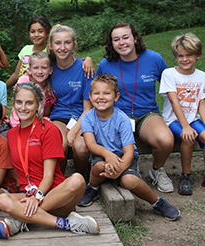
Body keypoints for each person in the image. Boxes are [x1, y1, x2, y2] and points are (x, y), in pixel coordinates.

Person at [0, 83, 100, 236]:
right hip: (27, 195)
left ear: (38, 105)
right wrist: (29, 197)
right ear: (13, 104)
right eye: (19, 102)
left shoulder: (49, 130)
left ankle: (22, 220)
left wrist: (37, 197)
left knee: (77, 180)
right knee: (2, 200)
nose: (23, 107)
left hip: (54, 194)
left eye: (29, 103)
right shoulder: (11, 134)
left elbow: (49, 176)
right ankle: (66, 223)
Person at [77, 73, 180, 221]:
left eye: (106, 93)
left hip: (124, 157)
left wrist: (118, 168)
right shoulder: (87, 118)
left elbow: (129, 151)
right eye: (96, 93)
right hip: (102, 155)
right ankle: (92, 188)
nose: (101, 97)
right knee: (99, 166)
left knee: (129, 181)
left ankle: (157, 202)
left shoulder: (122, 119)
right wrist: (108, 155)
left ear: (116, 96)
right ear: (90, 95)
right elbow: (91, 144)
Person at [96, 22, 175, 193]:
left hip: (146, 114)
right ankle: (106, 177)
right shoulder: (106, 64)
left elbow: (171, 88)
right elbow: (95, 91)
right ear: (112, 43)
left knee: (166, 140)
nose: (122, 43)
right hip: (116, 115)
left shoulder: (154, 59)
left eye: (126, 37)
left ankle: (157, 170)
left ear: (135, 38)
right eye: (116, 39)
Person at [159, 33, 205, 195]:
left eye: (189, 55)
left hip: (193, 119)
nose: (184, 59)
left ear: (198, 55)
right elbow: (174, 102)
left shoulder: (202, 76)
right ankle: (186, 176)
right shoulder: (169, 74)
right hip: (173, 121)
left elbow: (202, 104)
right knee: (189, 137)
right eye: (180, 56)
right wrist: (185, 126)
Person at [48, 24, 93, 175]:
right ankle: (59, 180)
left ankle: (81, 176)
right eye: (57, 43)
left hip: (82, 115)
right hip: (59, 115)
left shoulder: (85, 68)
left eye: (67, 42)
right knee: (59, 144)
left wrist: (73, 131)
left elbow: (88, 108)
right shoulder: (49, 68)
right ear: (51, 45)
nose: (62, 47)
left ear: (74, 45)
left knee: (81, 148)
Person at [5, 15, 95, 89]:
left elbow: (68, 60)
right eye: (33, 31)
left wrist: (88, 59)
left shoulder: (50, 51)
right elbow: (16, 74)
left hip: (41, 90)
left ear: (48, 33)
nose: (36, 34)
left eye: (40, 31)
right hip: (21, 88)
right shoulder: (25, 49)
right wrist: (4, 88)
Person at [9, 51, 56, 127]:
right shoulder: (23, 80)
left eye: (44, 68)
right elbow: (16, 102)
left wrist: (45, 119)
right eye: (36, 68)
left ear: (50, 70)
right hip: (17, 124)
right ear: (29, 70)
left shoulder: (49, 90)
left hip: (35, 125)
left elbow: (46, 113)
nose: (40, 72)